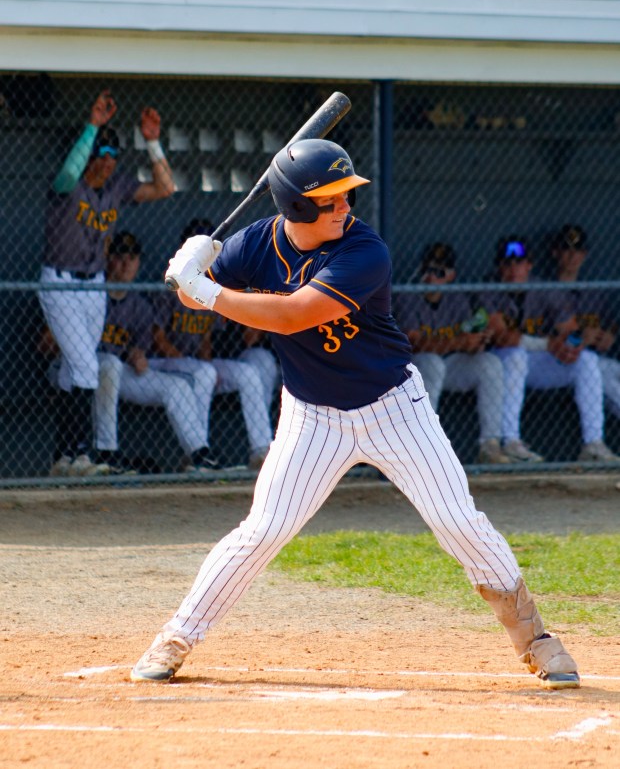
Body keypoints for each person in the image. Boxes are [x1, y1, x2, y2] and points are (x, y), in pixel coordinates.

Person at [129, 137, 579, 690]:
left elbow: (295, 315)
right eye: (333, 199)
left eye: (348, 196)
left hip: (394, 408)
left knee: (456, 519)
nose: (347, 207)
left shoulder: (365, 251)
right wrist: (197, 264)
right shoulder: (253, 245)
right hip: (312, 416)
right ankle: (176, 637)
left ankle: (536, 640)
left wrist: (207, 290)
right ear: (297, 207)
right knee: (264, 530)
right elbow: (194, 293)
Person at [38, 89, 175, 476]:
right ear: (89, 155)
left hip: (94, 284)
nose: (106, 164)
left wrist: (151, 141)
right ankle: (82, 454)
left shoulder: (116, 188)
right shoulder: (68, 184)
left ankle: (63, 458)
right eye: (101, 155)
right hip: (60, 282)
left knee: (72, 370)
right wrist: (92, 129)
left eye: (113, 157)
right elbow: (69, 174)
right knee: (85, 367)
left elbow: (166, 188)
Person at [479, 235, 619, 464]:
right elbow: (503, 336)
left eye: (520, 263)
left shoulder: (542, 288)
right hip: (501, 362)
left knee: (587, 359)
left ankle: (594, 443)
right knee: (516, 356)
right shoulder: (488, 288)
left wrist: (572, 346)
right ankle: (511, 441)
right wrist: (549, 344)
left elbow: (570, 328)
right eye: (507, 263)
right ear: (499, 267)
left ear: (530, 265)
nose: (514, 269)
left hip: (538, 363)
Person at [150, 219, 276, 470]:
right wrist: (195, 365)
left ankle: (261, 452)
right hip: (164, 363)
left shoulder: (212, 283)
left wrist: (203, 364)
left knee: (247, 374)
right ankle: (199, 457)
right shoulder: (172, 280)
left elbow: (206, 339)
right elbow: (158, 339)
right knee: (203, 373)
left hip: (197, 363)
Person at [395, 242, 531, 464]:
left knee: (490, 362)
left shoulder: (457, 298)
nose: (431, 277)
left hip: (451, 366)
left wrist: (477, 343)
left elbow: (469, 335)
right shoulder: (408, 296)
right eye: (427, 270)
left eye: (439, 272)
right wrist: (458, 342)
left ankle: (490, 445)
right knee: (432, 363)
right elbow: (415, 344)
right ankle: (421, 446)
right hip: (415, 369)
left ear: (451, 276)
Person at [94, 231, 214, 472]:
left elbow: (141, 346)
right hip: (85, 370)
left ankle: (199, 456)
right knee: (110, 364)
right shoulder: (91, 294)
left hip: (119, 373)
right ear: (108, 259)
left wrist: (137, 354)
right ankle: (105, 453)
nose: (127, 262)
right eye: (120, 256)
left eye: (132, 256)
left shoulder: (139, 305)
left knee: (175, 386)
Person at [551, 224, 620, 422]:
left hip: (599, 361)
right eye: (567, 250)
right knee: (604, 376)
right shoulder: (546, 292)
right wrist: (580, 337)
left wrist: (609, 336)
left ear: (585, 254)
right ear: (555, 253)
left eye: (578, 251)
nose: (573, 257)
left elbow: (610, 324)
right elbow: (545, 337)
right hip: (562, 363)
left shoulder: (593, 292)